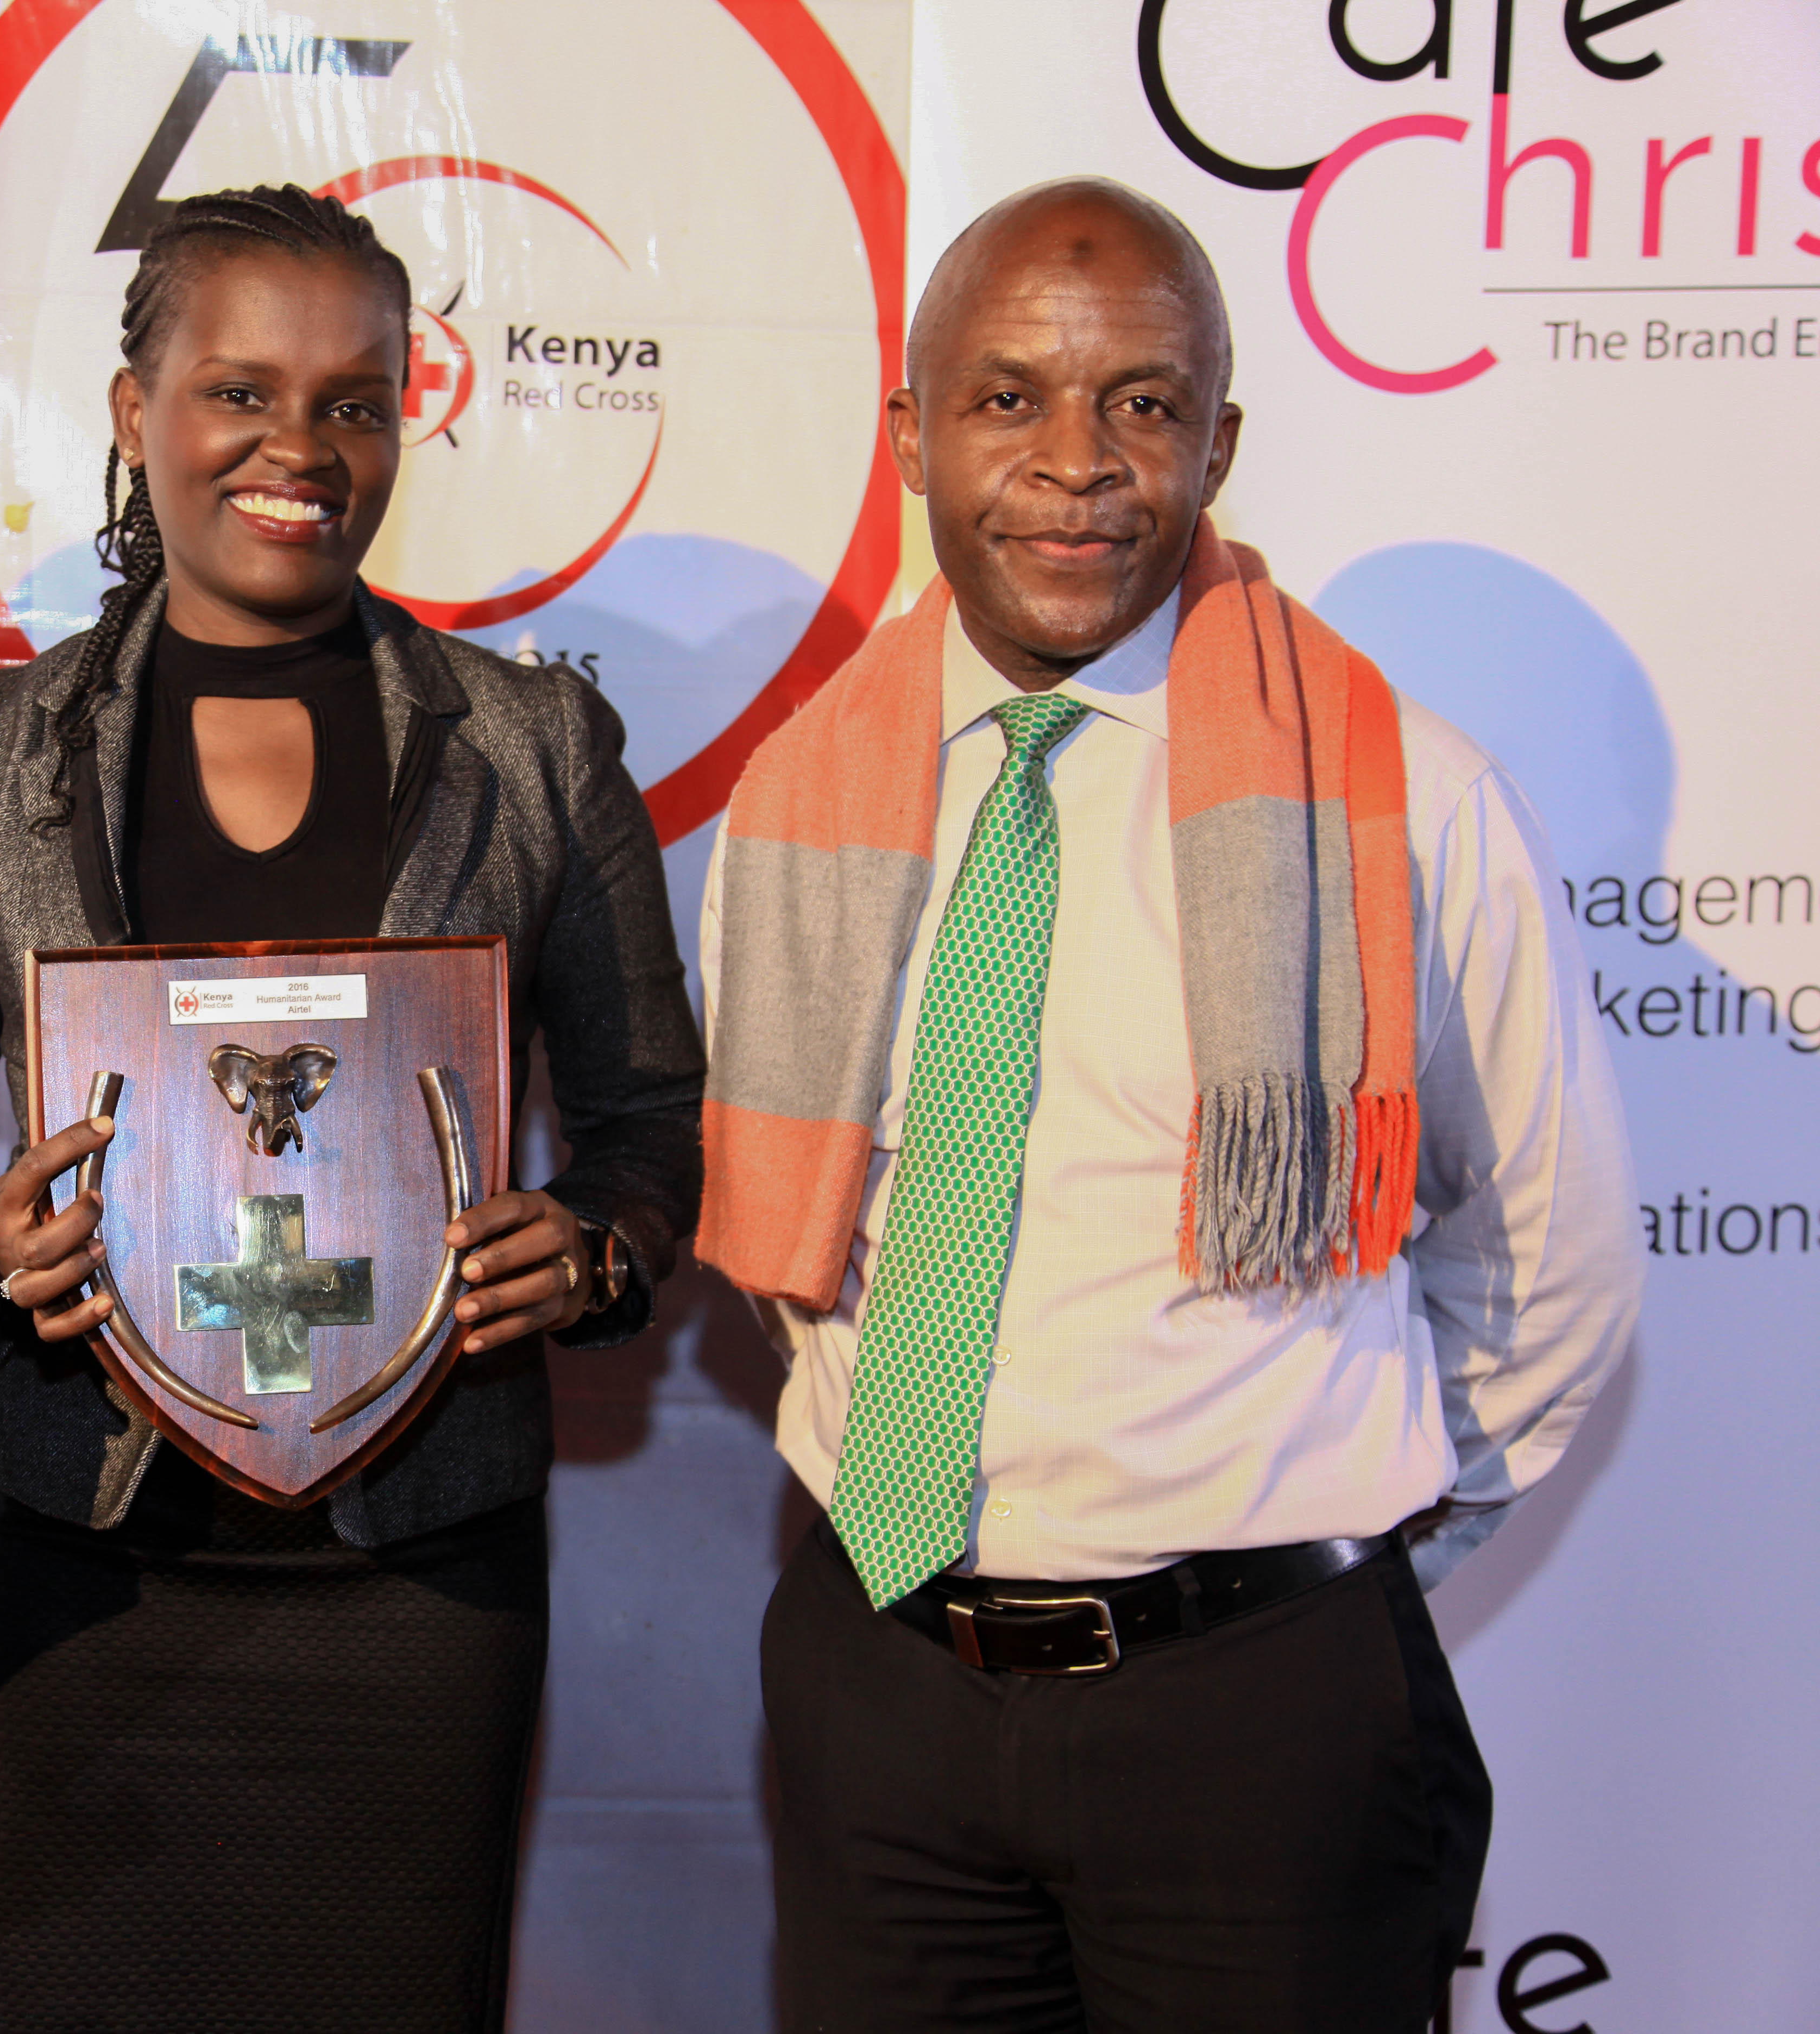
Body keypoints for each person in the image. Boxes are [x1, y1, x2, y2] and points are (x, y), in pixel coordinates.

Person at [698, 178, 1640, 2033]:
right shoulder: (799, 803)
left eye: (1142, 403)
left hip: (1256, 1727)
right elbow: (799, 1255)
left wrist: (1314, 1591)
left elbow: (1553, 1265)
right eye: (1008, 399)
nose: (1078, 465)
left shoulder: (1403, 797)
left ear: (1220, 440)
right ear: (909, 435)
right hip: (879, 1690)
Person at [0, 186, 702, 2033]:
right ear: (132, 403)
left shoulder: (534, 745)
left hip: (422, 1582)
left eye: (356, 401)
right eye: (241, 388)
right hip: (72, 1566)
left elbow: (650, 1129)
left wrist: (598, 1253)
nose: (299, 449)